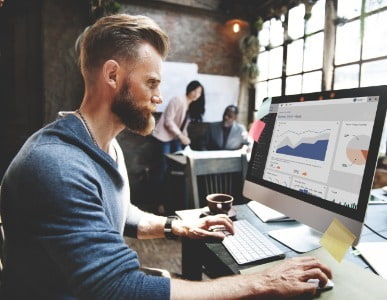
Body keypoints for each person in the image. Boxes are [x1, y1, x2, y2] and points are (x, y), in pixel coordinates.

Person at [0, 13, 332, 299]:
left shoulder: (103, 145)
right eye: (152, 83)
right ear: (112, 75)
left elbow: (120, 213)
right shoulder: (57, 165)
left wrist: (179, 227)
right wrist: (262, 283)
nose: (159, 98)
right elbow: (120, 289)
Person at [151, 80, 204, 213]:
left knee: (177, 170)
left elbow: (183, 126)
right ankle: (158, 203)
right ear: (189, 89)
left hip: (174, 139)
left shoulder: (190, 106)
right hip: (163, 138)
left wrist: (186, 139)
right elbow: (168, 121)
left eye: (199, 92)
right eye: (195, 91)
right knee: (162, 170)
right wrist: (181, 136)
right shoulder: (177, 100)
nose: (197, 94)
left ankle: (173, 202)